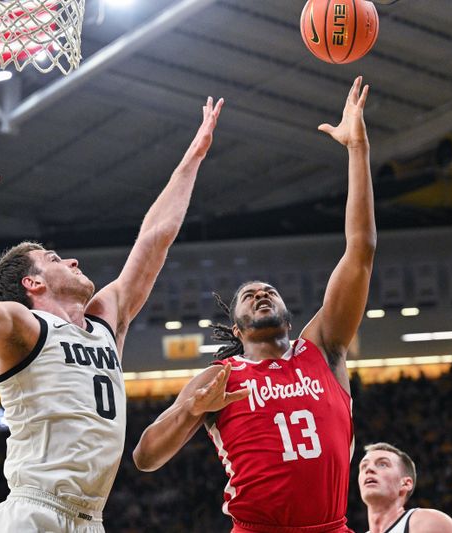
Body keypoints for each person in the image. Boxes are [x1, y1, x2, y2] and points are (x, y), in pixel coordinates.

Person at [0, 96, 224, 533]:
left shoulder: (105, 321)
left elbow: (156, 238)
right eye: (54, 258)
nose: (73, 262)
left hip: (89, 521)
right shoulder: (23, 327)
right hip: (32, 513)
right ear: (33, 283)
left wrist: (193, 157)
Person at [133, 76, 375, 532]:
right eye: (249, 294)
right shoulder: (220, 378)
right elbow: (145, 457)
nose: (262, 293)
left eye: (270, 291)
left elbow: (360, 250)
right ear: (237, 330)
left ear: (288, 313)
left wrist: (357, 150)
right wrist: (191, 410)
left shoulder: (323, 348)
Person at [357, 443, 452, 533]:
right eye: (364, 466)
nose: (369, 469)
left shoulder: (424, 522)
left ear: (406, 484)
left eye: (382, 464)